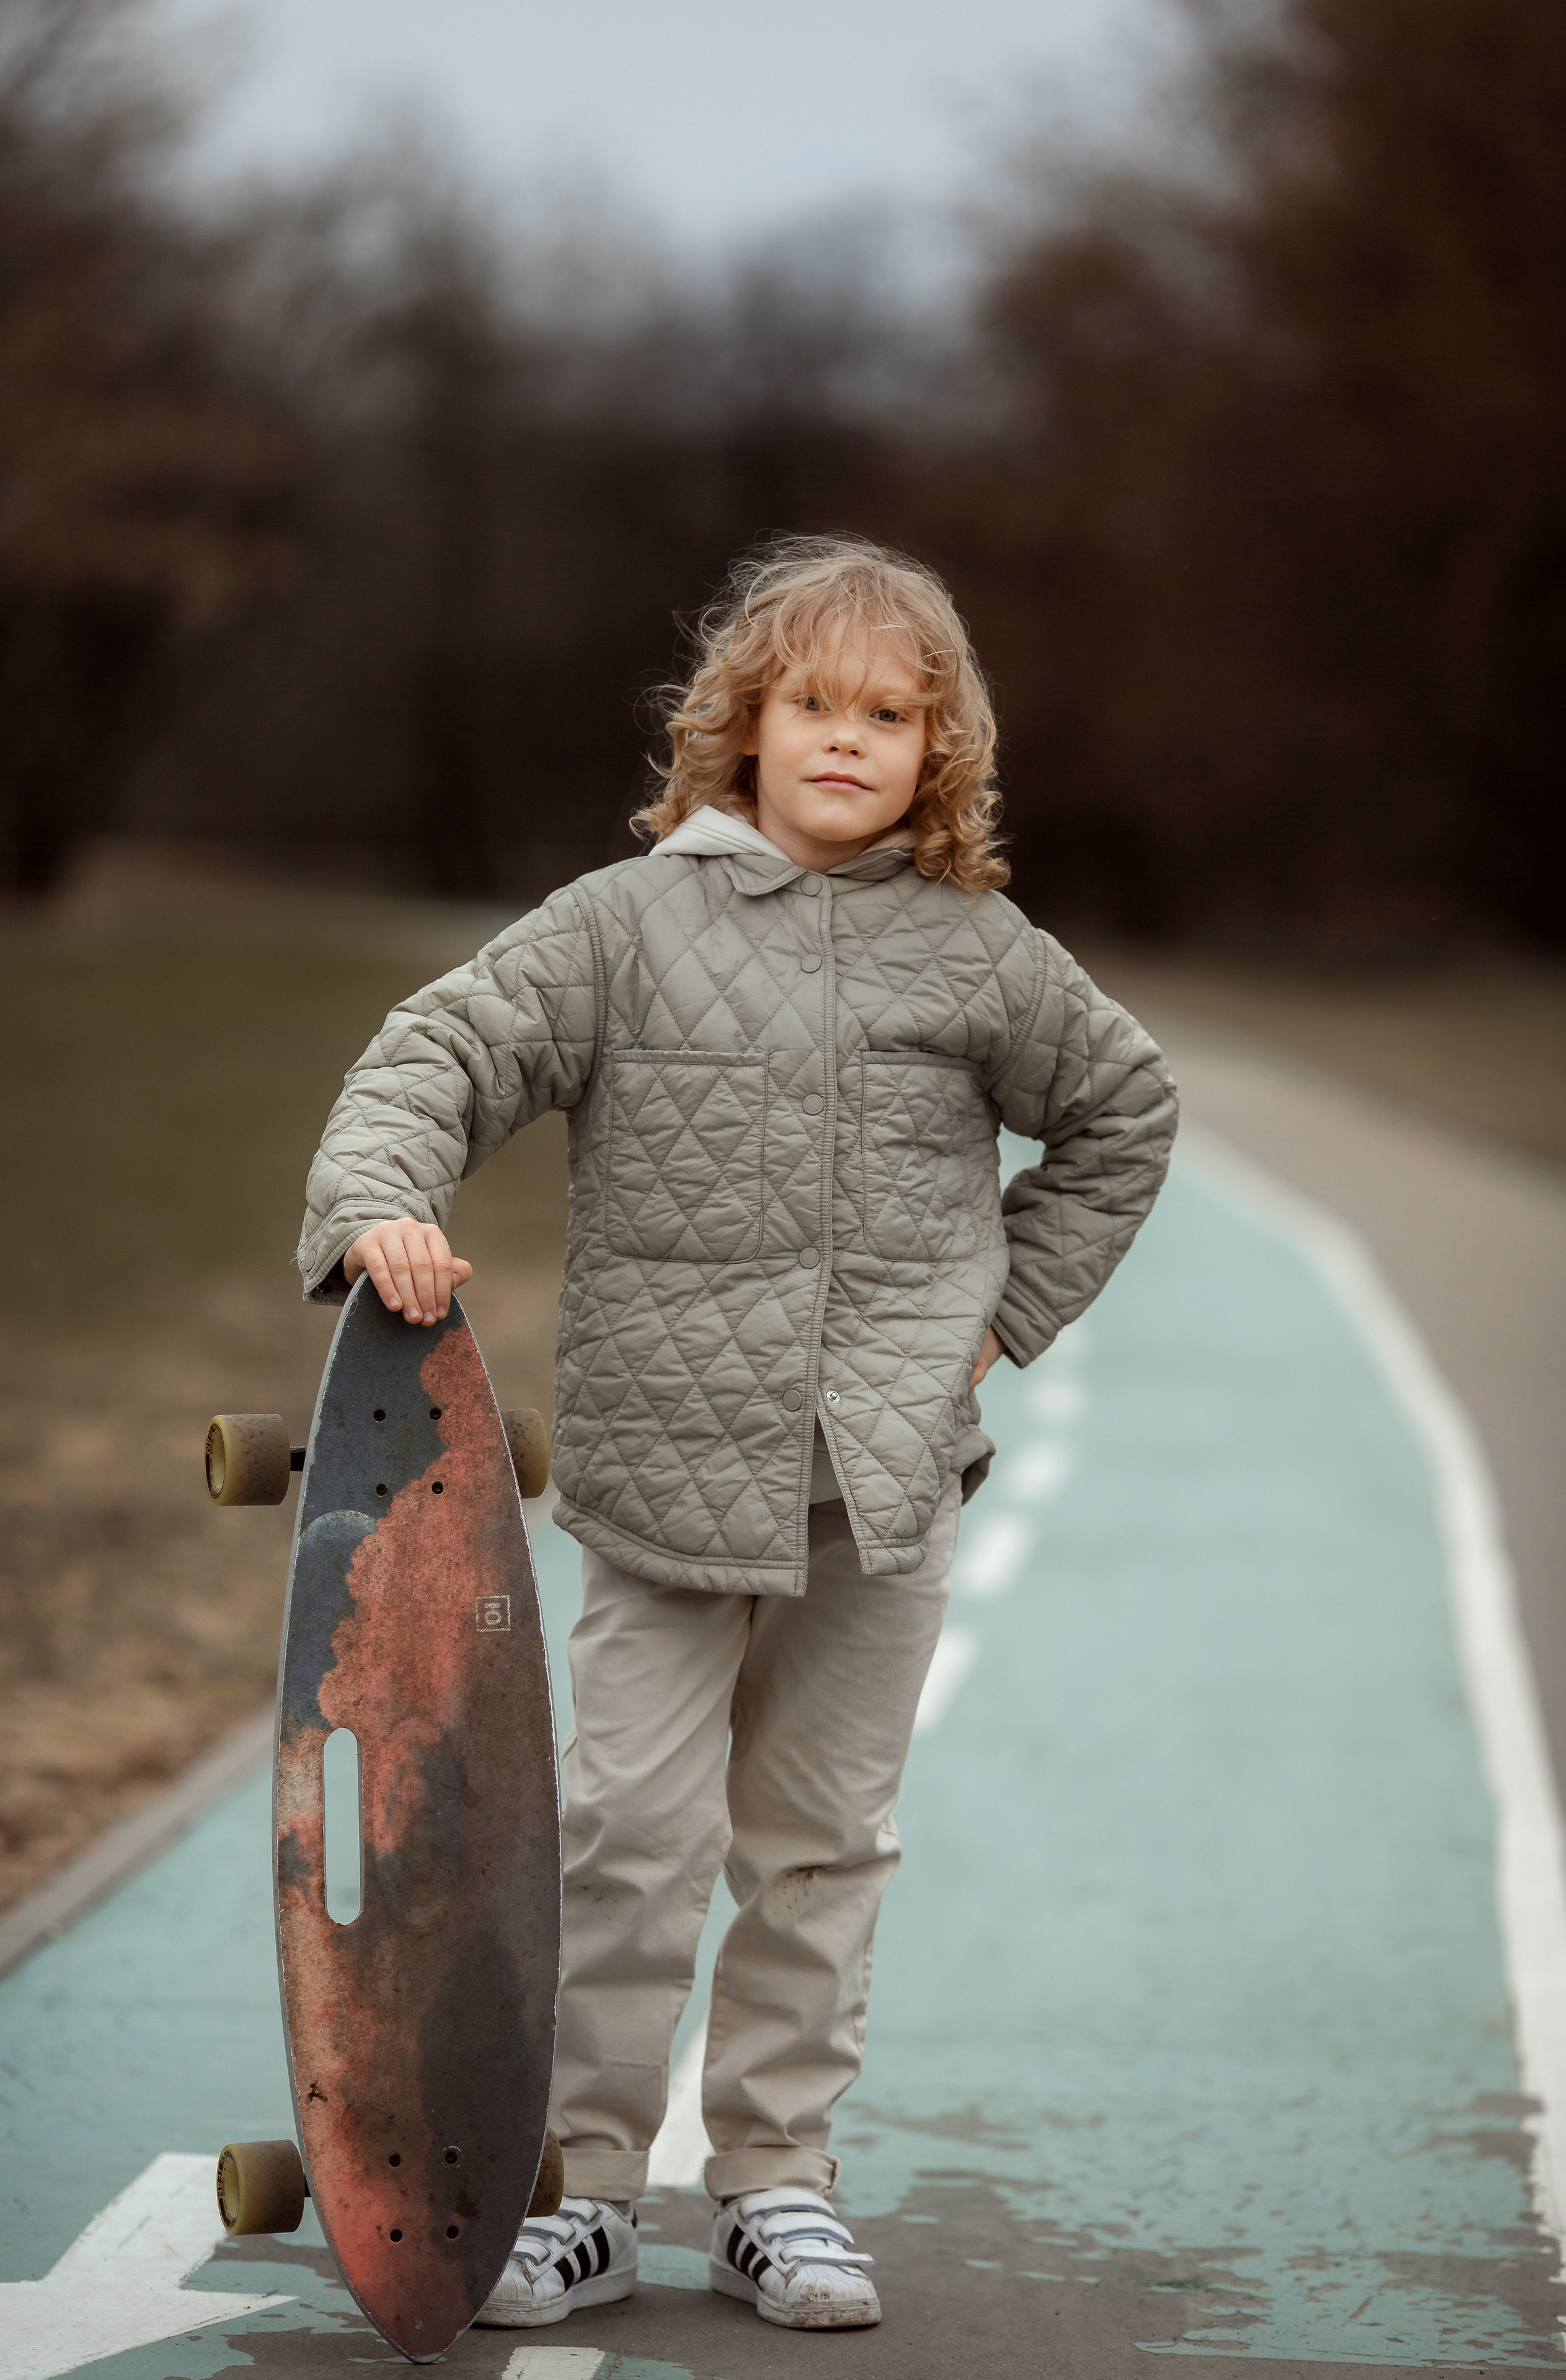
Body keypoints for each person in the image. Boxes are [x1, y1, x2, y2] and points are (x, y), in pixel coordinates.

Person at [296, 532, 1177, 2332]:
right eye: (814, 707)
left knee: (822, 1840)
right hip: (664, 1479)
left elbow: (1126, 1115)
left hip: (885, 1490)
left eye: (892, 715)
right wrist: (381, 1198)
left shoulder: (978, 953)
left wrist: (1002, 1319)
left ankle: (777, 2183)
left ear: (942, 751)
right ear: (742, 726)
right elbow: (436, 1054)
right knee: (626, 1834)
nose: (848, 742)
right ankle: (588, 2182)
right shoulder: (625, 929)